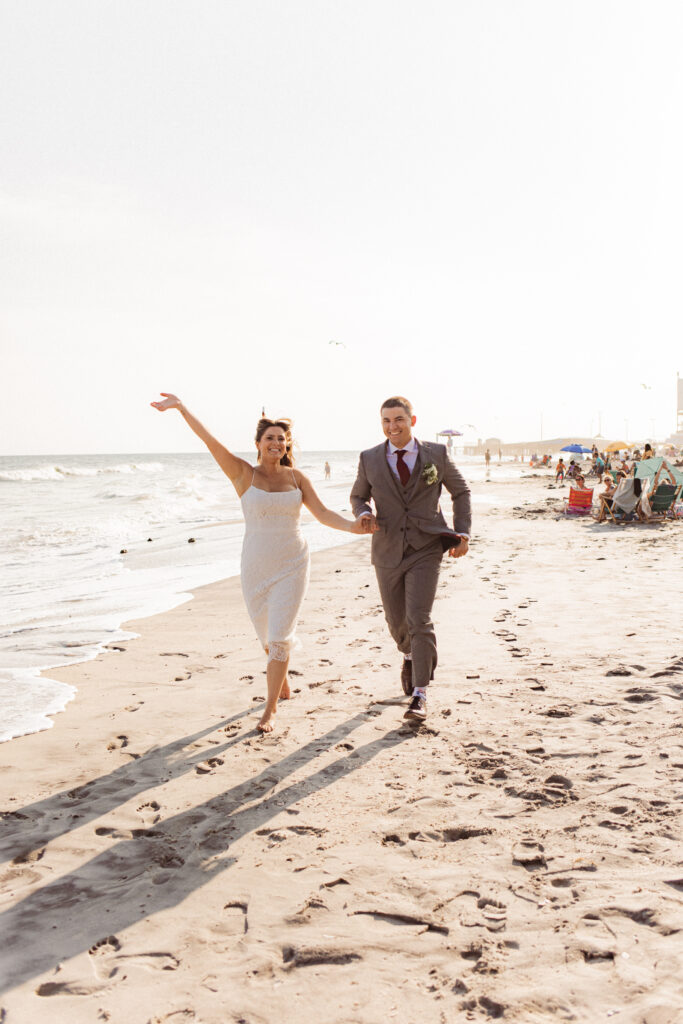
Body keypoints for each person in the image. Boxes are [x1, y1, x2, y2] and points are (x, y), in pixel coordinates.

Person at [151, 393, 373, 733]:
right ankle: (279, 678)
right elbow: (210, 441)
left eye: (281, 439)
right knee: (267, 637)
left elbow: (324, 514)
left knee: (280, 636)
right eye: (270, 438)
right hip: (255, 566)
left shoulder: (298, 479)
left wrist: (353, 527)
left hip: (293, 562)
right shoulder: (243, 474)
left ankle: (269, 710)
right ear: (258, 443)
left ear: (287, 446)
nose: (276, 443)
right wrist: (182, 408)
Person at [350, 396, 471, 724]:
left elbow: (461, 492)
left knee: (419, 618)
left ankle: (420, 695)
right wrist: (363, 512)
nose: (393, 427)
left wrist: (463, 532)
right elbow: (358, 495)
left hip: (425, 547)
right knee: (396, 622)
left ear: (412, 421)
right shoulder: (370, 458)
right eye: (386, 421)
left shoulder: (436, 454)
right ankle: (408, 654)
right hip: (387, 548)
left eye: (399, 420)